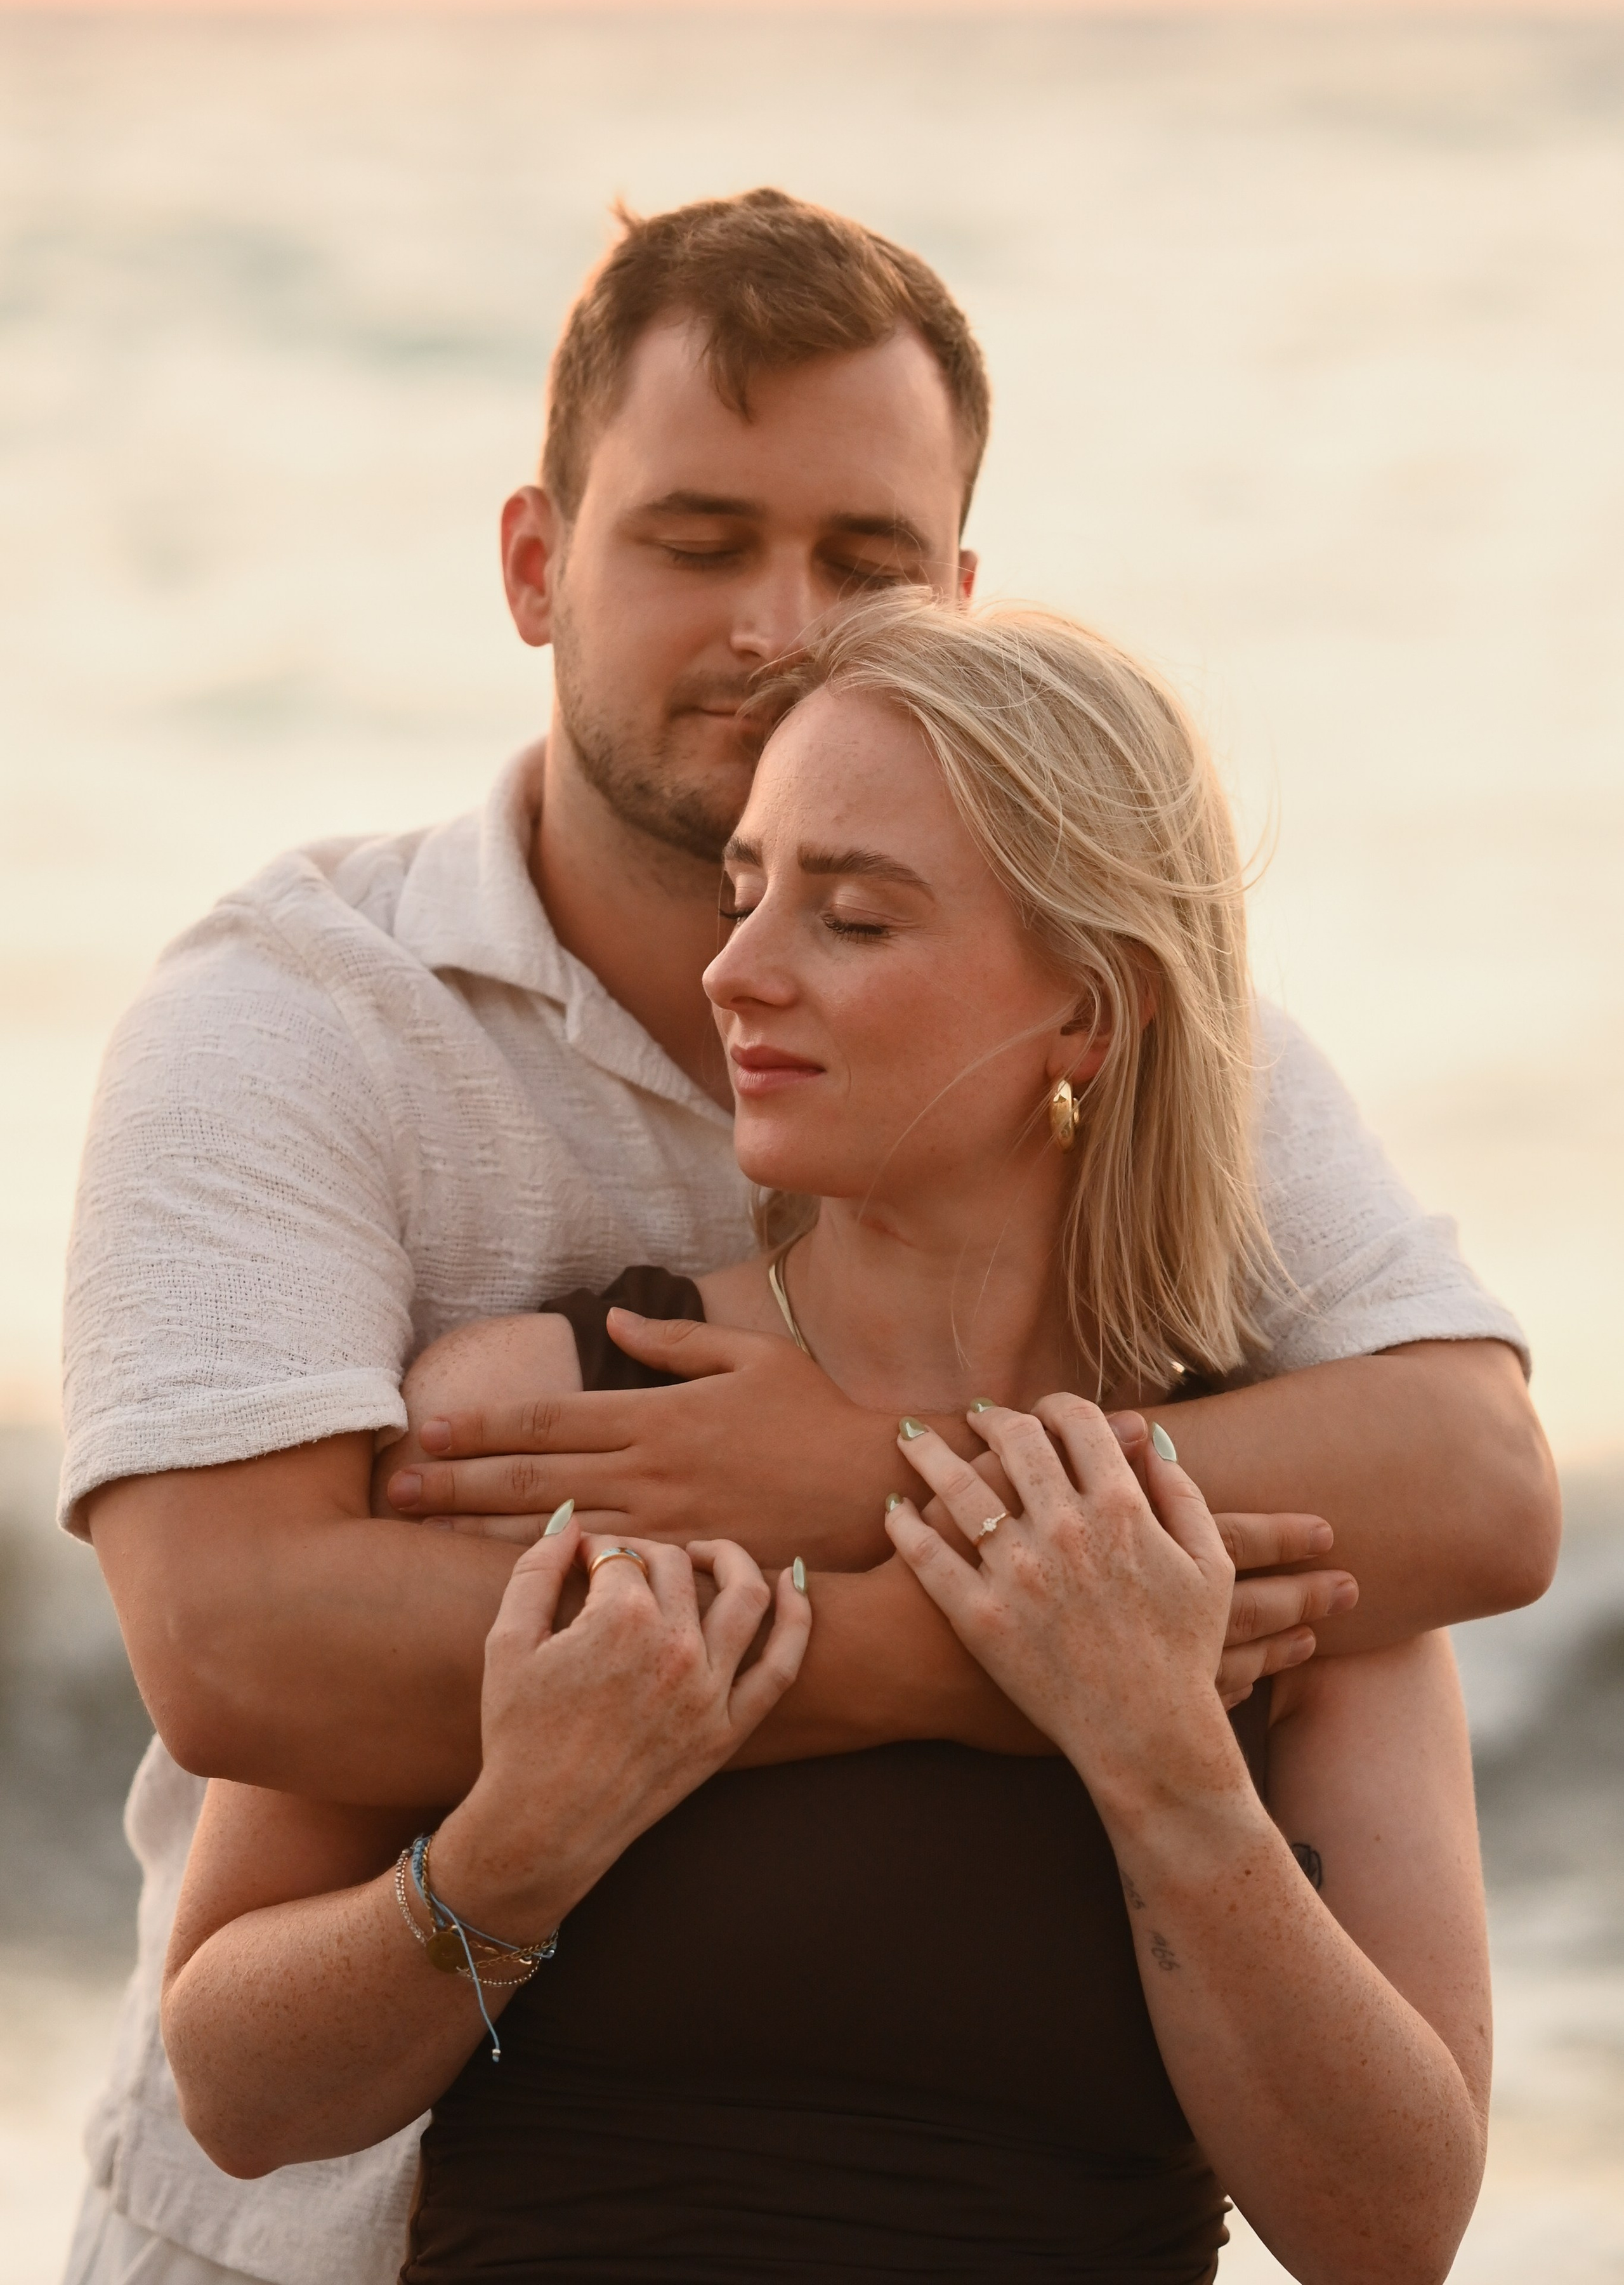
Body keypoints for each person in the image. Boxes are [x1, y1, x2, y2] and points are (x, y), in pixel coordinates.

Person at [63, 190, 1550, 2285]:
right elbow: (235, 1647)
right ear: (533, 563)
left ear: (956, 595)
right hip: (322, 2240)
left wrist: (861, 1480)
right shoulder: (293, 1022)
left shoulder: (1152, 1032)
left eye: (861, 562)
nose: (781, 626)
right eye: (696, 540)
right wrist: (936, 1646)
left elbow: (1473, 1485)